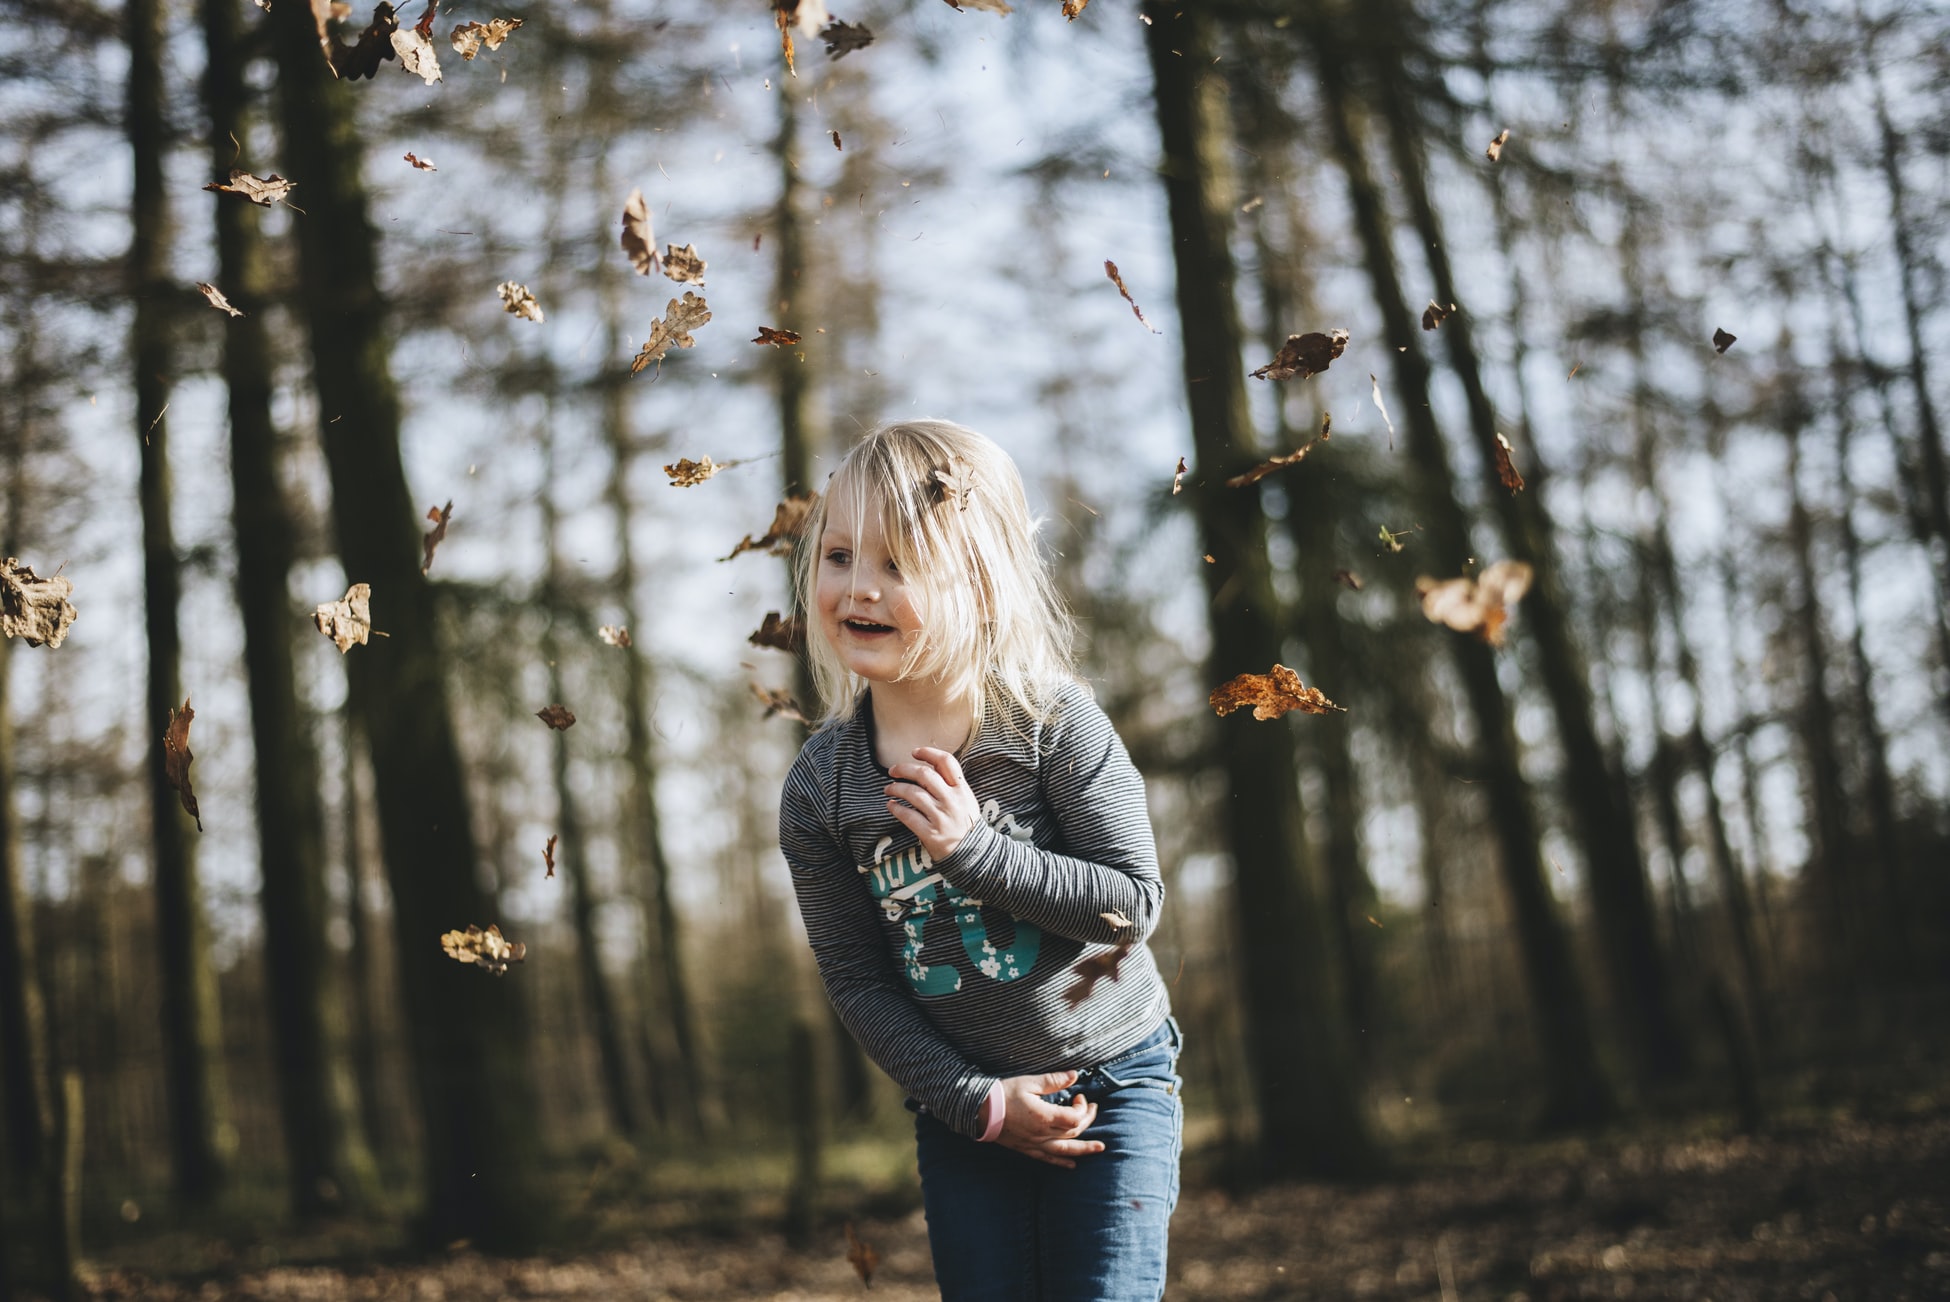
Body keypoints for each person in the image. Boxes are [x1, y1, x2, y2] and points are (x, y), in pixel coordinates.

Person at [779, 419, 1181, 1302]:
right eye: (839, 555)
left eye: (898, 564)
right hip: (969, 1112)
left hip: (1110, 1079)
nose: (860, 588)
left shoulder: (1052, 727)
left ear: (982, 585)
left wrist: (974, 852)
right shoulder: (821, 790)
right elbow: (856, 980)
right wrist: (978, 1104)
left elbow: (1133, 904)